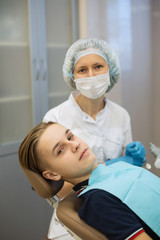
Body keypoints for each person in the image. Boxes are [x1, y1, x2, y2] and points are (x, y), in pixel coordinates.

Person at [19, 122, 160, 240]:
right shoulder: (97, 201)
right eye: (61, 150)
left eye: (70, 136)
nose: (74, 145)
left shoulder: (116, 168)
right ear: (52, 174)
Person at [43, 38, 133, 163]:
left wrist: (132, 155)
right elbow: (56, 179)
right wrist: (108, 167)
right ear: (72, 76)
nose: (91, 75)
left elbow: (128, 161)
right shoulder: (55, 118)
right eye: (82, 70)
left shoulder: (121, 115)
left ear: (110, 70)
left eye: (98, 67)